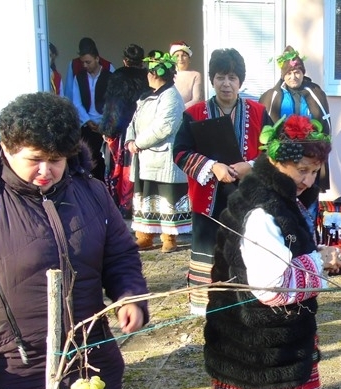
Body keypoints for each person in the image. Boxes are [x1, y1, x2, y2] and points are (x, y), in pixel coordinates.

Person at [0, 92, 149, 389]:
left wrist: (129, 296)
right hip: (12, 350)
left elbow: (121, 253)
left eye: (57, 160)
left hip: (86, 343)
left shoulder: (90, 191)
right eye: (34, 160)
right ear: (6, 149)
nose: (47, 171)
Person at [205, 114, 338, 389]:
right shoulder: (264, 211)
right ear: (278, 160)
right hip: (263, 341)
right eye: (302, 170)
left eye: (315, 172)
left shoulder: (265, 193)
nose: (309, 180)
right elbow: (272, 287)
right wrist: (321, 264)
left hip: (248, 338)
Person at [174, 48, 271, 315]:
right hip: (208, 201)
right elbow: (180, 152)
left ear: (240, 81)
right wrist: (212, 166)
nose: (226, 83)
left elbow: (275, 151)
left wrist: (249, 166)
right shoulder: (194, 113)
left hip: (248, 200)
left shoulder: (259, 112)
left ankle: (248, 302)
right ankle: (207, 306)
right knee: (210, 252)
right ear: (212, 79)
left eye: (231, 77)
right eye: (220, 77)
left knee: (246, 250)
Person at [126, 51, 192, 252]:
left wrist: (139, 143)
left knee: (165, 198)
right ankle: (145, 235)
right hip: (145, 158)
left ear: (156, 74)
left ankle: (169, 238)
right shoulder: (147, 96)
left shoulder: (171, 96)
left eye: (149, 71)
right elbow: (134, 120)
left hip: (162, 156)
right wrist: (130, 138)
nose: (146, 75)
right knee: (147, 196)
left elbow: (165, 126)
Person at [259, 46, 331, 193]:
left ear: (302, 73)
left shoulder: (316, 93)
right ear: (283, 75)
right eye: (289, 73)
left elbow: (324, 126)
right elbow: (265, 129)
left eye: (297, 72)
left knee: (308, 194)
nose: (293, 77)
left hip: (309, 156)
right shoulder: (271, 96)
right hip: (284, 158)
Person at [100, 43, 151, 219]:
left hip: (122, 130)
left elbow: (114, 105)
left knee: (119, 169)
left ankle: (121, 205)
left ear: (125, 60)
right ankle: (138, 206)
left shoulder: (118, 76)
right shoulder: (148, 76)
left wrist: (108, 130)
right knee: (139, 170)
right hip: (143, 130)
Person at [71, 39, 113, 181]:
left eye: (88, 62)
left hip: (105, 125)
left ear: (97, 58)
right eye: (83, 62)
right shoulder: (79, 77)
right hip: (87, 125)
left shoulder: (109, 75)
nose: (85, 65)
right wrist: (88, 120)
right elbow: (76, 102)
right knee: (88, 159)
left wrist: (105, 122)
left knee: (105, 162)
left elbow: (113, 101)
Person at [170, 41, 203, 109]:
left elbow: (196, 99)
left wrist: (179, 109)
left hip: (187, 112)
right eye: (177, 56)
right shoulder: (168, 74)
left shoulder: (195, 75)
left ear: (189, 59)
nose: (180, 59)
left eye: (184, 55)